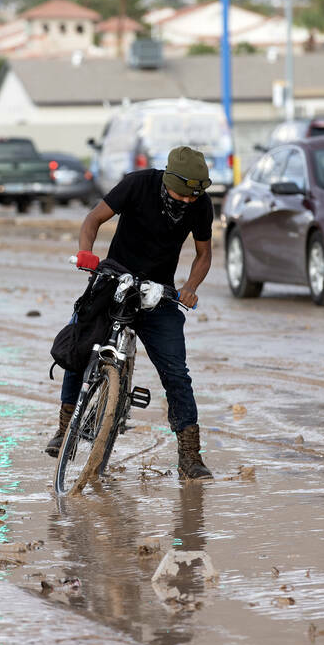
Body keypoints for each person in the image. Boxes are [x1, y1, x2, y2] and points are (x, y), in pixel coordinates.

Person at [44, 146, 214, 480]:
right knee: (81, 344)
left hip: (159, 291)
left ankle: (190, 456)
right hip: (114, 277)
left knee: (176, 373)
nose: (188, 202)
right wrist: (85, 253)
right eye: (183, 195)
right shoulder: (137, 184)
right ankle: (65, 429)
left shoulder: (200, 205)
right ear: (168, 182)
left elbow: (203, 253)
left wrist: (190, 287)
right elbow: (93, 219)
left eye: (195, 197)